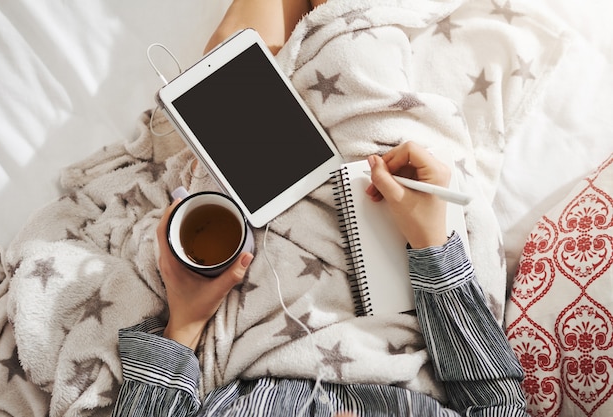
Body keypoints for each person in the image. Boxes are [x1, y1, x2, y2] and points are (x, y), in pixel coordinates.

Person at [111, 1, 528, 415]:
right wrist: (433, 247)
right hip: (417, 293)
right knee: (355, 56)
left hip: (254, 302)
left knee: (228, 61)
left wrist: (184, 320)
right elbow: (500, 403)